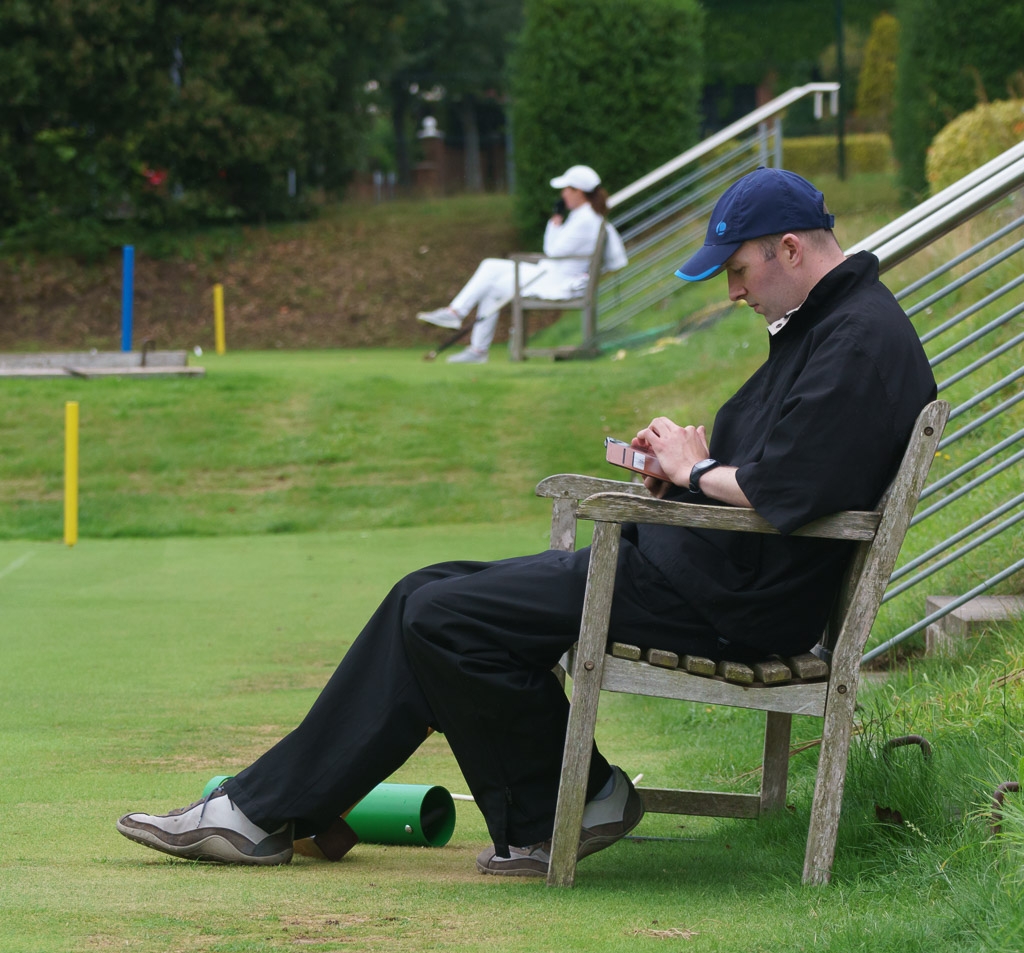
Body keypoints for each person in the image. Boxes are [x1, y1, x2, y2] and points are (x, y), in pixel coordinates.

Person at [117, 168, 936, 878]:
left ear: (790, 249)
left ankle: (551, 803)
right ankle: (277, 811)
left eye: (739, 268)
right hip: (706, 574)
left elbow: (782, 491)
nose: (732, 289)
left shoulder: (855, 341)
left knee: (439, 615)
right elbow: (784, 465)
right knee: (427, 596)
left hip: (725, 600)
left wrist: (692, 471)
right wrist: (688, 462)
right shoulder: (830, 326)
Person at [416, 164, 628, 363]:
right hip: (552, 274)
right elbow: (556, 252)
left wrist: (554, 224)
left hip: (556, 282)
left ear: (578, 192)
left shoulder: (584, 219)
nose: (563, 194)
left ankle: (473, 342)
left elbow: (552, 251)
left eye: (566, 190)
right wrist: (557, 224)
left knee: (493, 286)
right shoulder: (584, 216)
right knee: (490, 266)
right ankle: (458, 318)